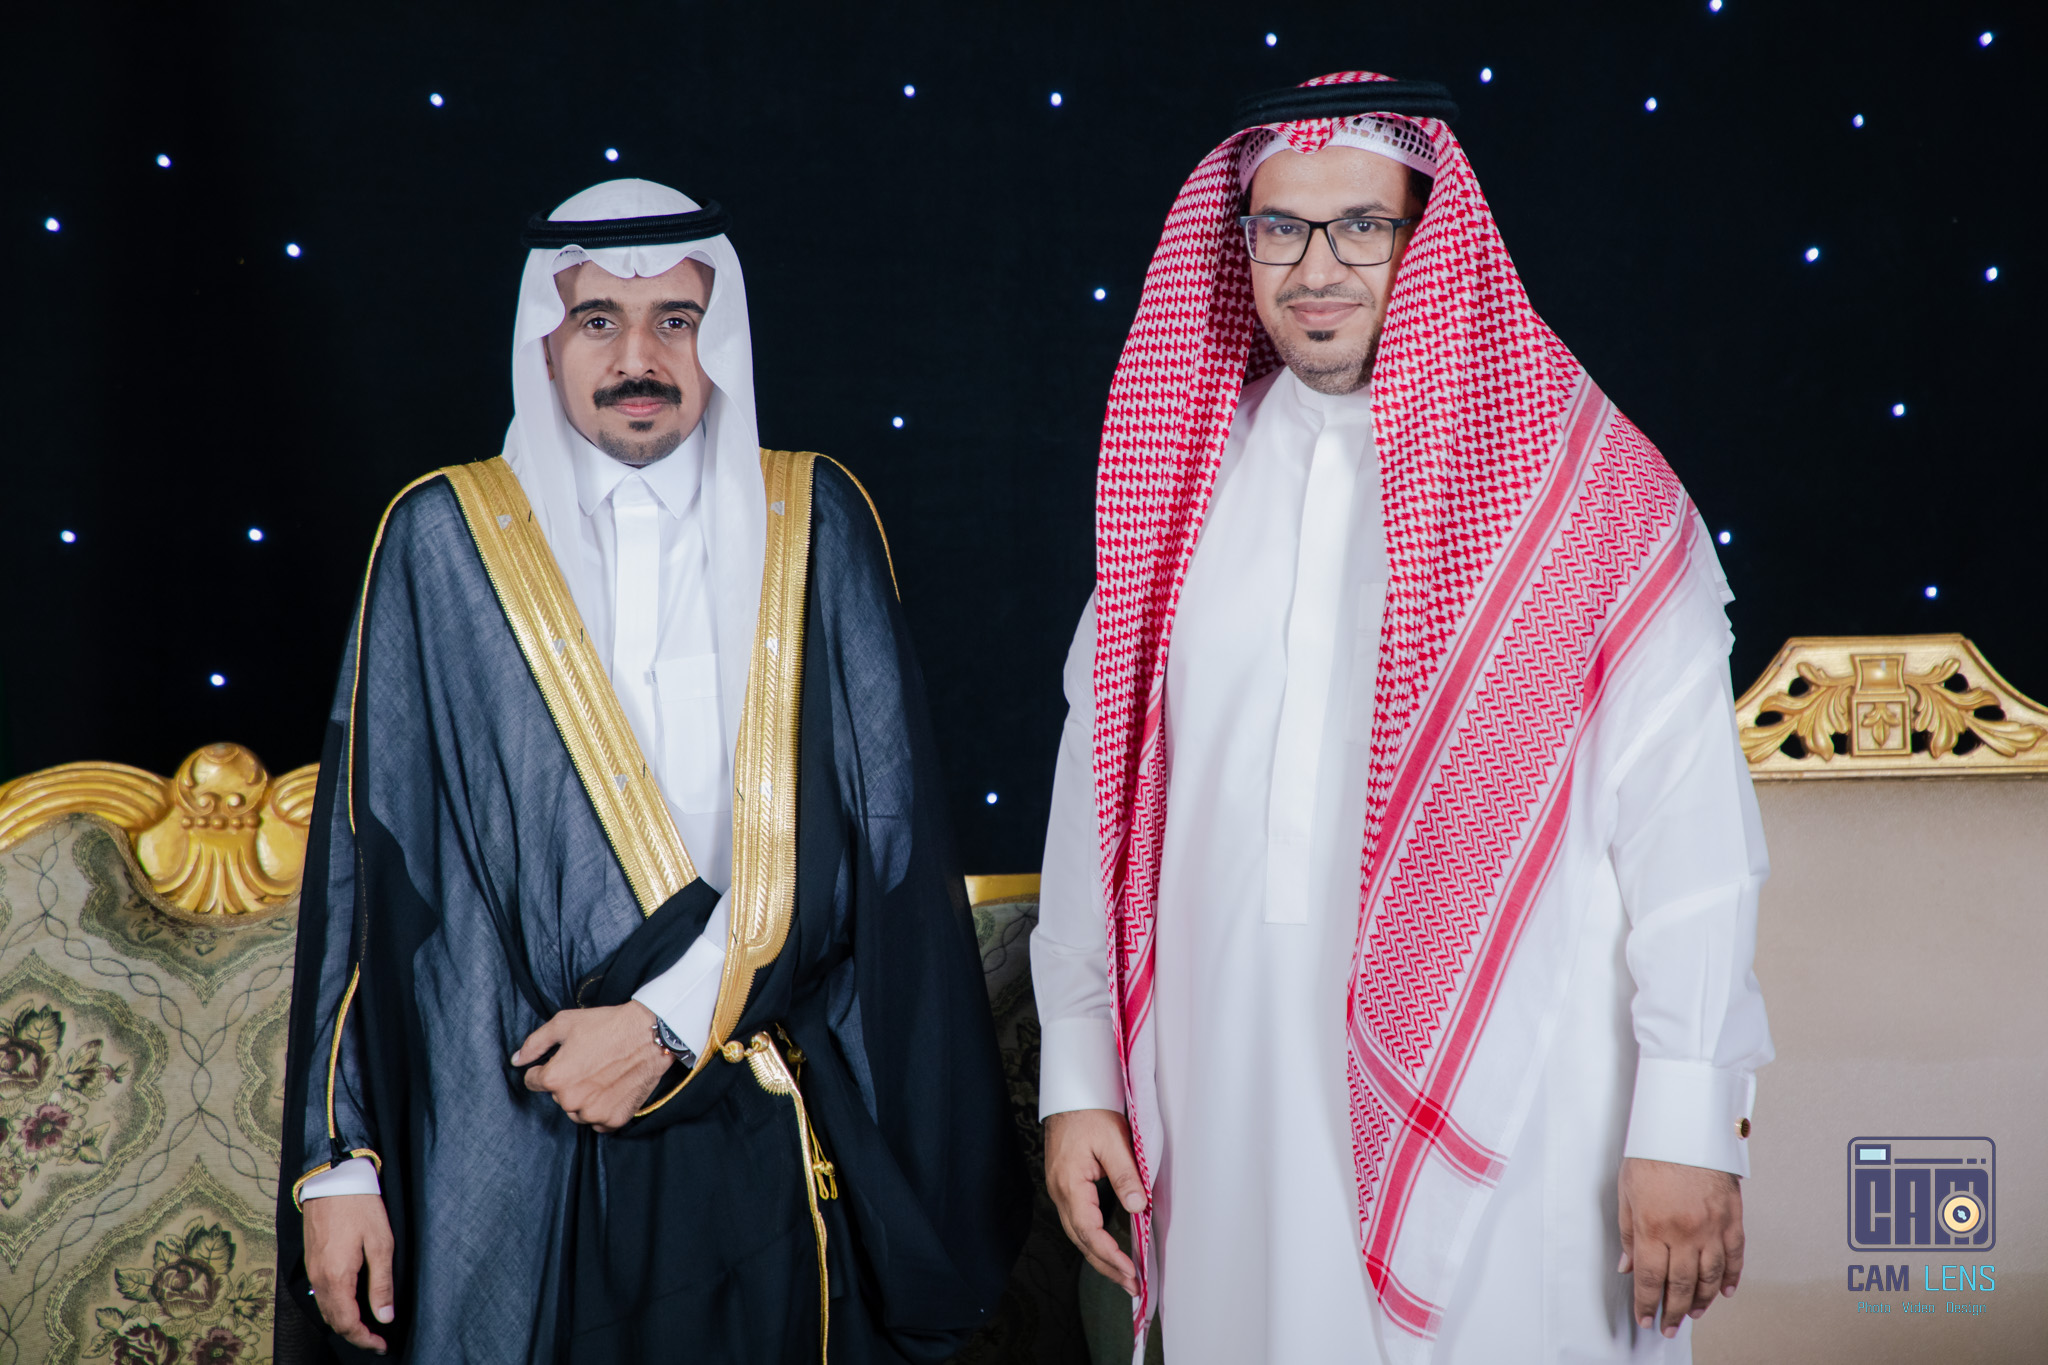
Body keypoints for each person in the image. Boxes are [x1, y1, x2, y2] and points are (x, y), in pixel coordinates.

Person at [1031, 74, 1772, 1364]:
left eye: (1360, 226)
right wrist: (1080, 1076)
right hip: (1226, 1097)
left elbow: (1692, 844)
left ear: (1429, 238)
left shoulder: (1582, 491)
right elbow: (1094, 808)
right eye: (1279, 228)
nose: (1314, 268)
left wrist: (1685, 1117)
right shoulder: (1180, 489)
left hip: (1525, 1121)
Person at [277, 178, 1029, 1364]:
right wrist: (337, 1166)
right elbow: (367, 878)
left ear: (716, 337)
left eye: (674, 320)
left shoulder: (811, 520)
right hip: (511, 1127)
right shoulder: (442, 539)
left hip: (760, 1106)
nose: (639, 358)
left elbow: (873, 841)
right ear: (546, 338)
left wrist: (666, 1022)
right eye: (599, 321)